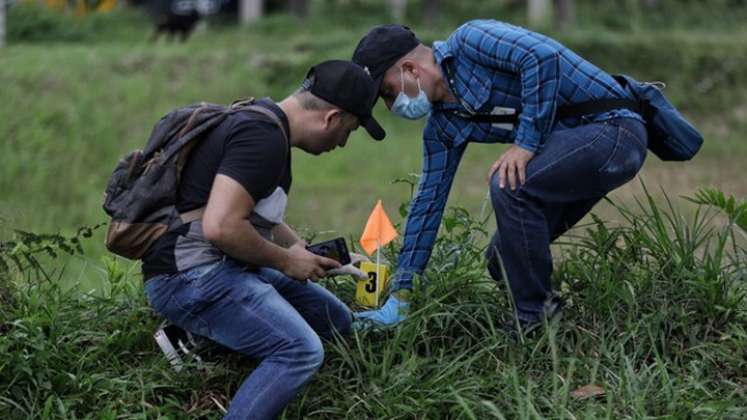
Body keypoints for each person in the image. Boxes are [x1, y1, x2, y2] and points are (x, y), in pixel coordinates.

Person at [351, 21, 648, 333]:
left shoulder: (471, 40)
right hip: (576, 153)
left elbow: (540, 58)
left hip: (614, 129)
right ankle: (554, 321)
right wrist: (402, 294)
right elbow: (427, 203)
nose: (391, 105)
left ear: (410, 69)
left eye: (387, 92)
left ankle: (533, 321)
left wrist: (526, 144)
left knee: (510, 182)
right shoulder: (444, 126)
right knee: (503, 257)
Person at [142, 60, 384, 419]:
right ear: (331, 118)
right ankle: (200, 331)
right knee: (300, 351)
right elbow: (221, 226)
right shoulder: (263, 138)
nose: (344, 143)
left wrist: (296, 248)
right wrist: (287, 261)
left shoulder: (263, 120)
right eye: (349, 130)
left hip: (216, 266)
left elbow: (250, 212)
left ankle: (196, 337)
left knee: (336, 320)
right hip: (189, 277)